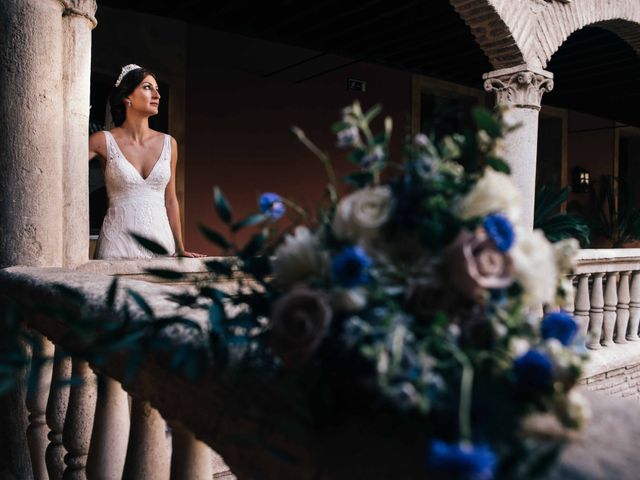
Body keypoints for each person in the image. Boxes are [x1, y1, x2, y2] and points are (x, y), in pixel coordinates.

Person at [89, 64, 203, 259]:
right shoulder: (102, 140)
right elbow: (66, 172)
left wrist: (180, 248)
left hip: (161, 245)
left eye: (157, 89)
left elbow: (170, 199)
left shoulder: (169, 143)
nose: (157, 95)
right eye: (147, 87)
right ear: (127, 97)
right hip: (117, 246)